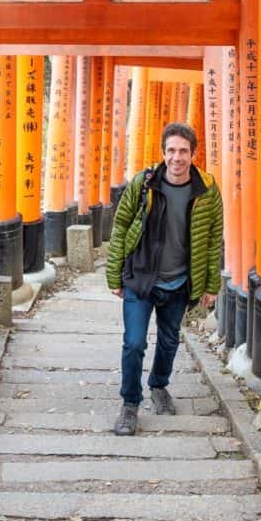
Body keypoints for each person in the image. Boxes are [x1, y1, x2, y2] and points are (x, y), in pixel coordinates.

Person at [106, 122, 224, 436]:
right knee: (133, 343)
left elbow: (214, 240)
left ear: (193, 154)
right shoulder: (144, 184)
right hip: (141, 277)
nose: (177, 157)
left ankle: (159, 385)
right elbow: (120, 227)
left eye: (183, 151)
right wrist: (114, 275)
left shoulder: (208, 191)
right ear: (163, 153)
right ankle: (130, 404)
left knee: (170, 341)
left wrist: (211, 286)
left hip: (180, 281)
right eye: (171, 150)